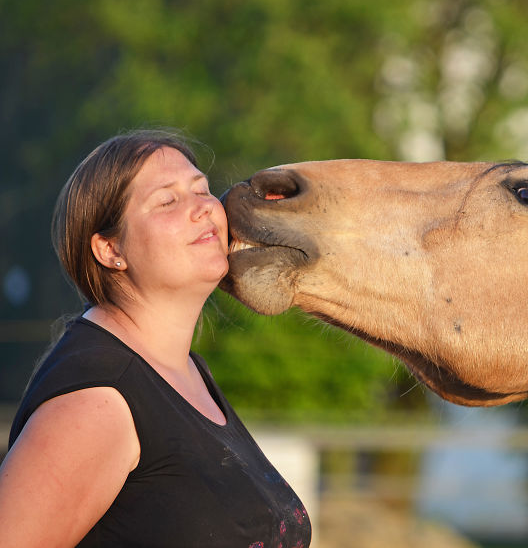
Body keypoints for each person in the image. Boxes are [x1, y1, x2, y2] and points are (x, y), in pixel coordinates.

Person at [0, 130, 311, 547]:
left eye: (202, 190)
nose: (203, 208)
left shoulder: (186, 371)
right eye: (168, 200)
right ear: (110, 249)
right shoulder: (98, 398)